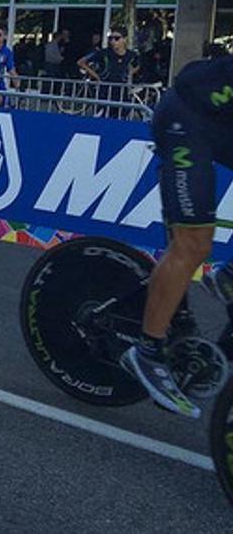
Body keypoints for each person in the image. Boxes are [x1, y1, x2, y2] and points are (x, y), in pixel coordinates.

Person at [121, 54, 233, 420]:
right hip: (187, 121)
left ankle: (229, 276)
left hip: (219, 123)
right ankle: (148, 350)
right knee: (194, 243)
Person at [78, 27, 140, 118]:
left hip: (122, 93)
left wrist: (128, 73)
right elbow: (81, 62)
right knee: (101, 120)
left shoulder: (131, 55)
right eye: (111, 38)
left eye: (117, 38)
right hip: (104, 92)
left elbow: (138, 65)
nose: (113, 41)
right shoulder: (104, 53)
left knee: (120, 119)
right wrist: (97, 76)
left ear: (124, 39)